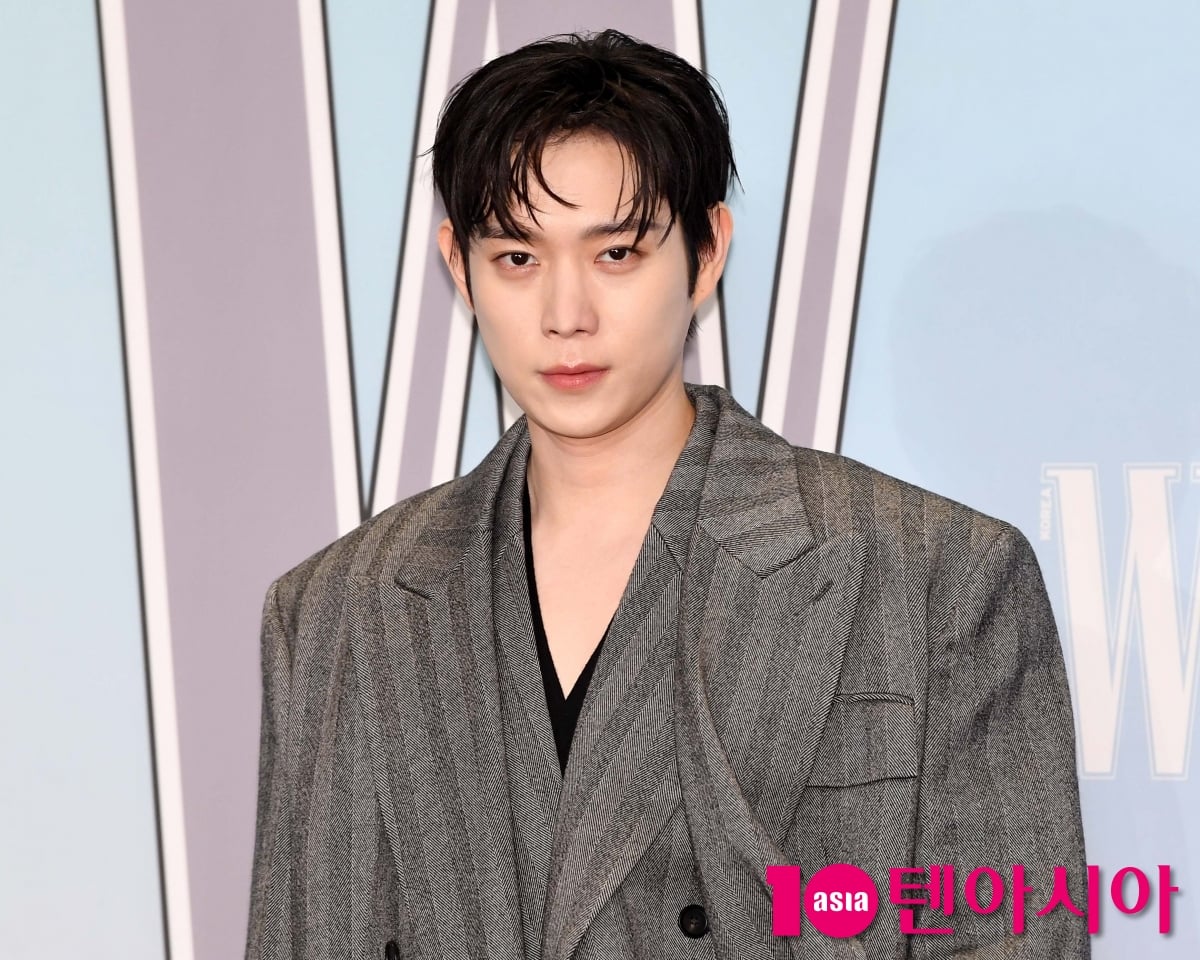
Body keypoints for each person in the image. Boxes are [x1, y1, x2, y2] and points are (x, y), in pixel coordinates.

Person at [245, 29, 1089, 960]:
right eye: (518, 258)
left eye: (616, 253)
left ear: (707, 250)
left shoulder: (937, 577)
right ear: (460, 266)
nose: (566, 315)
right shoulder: (338, 611)